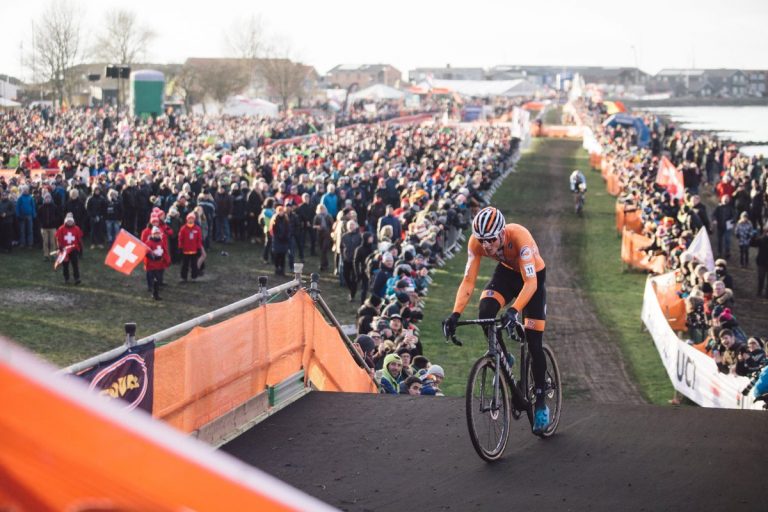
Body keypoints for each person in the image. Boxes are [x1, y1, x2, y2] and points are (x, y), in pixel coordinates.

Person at [442, 206, 550, 434]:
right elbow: (468, 281)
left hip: (532, 278)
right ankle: (503, 356)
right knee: (485, 312)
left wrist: (514, 310)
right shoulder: (476, 243)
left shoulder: (519, 237)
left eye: (491, 239)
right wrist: (455, 313)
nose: (486, 245)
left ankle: (540, 402)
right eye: (482, 240)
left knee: (534, 342)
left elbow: (530, 284)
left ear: (502, 233)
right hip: (507, 273)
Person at [55, 212, 83, 285]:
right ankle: (66, 279)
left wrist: (80, 249)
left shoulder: (77, 228)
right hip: (64, 250)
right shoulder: (61, 229)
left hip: (74, 249)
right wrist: (60, 247)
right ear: (65, 221)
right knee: (65, 265)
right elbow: (58, 239)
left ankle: (77, 278)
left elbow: (79, 239)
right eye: (68, 221)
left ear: (73, 221)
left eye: (71, 221)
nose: (69, 222)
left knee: (75, 264)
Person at [144, 226, 170, 300]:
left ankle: (156, 292)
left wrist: (167, 260)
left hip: (159, 265)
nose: (157, 235)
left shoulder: (161, 242)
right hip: (151, 265)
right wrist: (153, 257)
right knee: (151, 278)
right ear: (152, 234)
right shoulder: (148, 242)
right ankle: (152, 290)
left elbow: (165, 251)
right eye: (155, 234)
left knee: (158, 279)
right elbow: (147, 252)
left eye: (158, 234)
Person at [178, 212, 203, 282]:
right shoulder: (183, 228)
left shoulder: (197, 229)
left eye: (192, 219)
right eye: (189, 219)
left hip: (194, 251)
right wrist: (180, 247)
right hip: (185, 250)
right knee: (184, 265)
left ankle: (194, 277)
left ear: (194, 220)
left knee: (194, 265)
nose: (191, 220)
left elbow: (199, 239)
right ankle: (183, 277)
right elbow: (180, 239)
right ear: (187, 219)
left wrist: (199, 248)